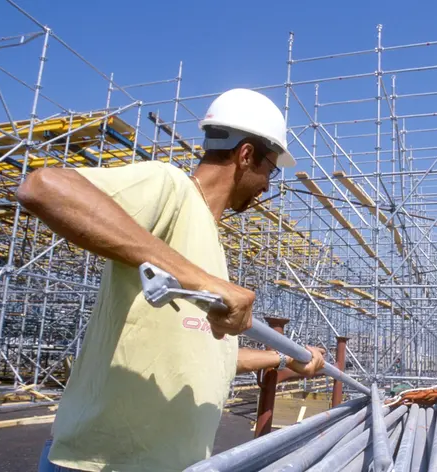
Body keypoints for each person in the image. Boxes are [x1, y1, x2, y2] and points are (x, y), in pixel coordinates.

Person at [18, 88, 327, 472]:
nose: (268, 185)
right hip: (101, 463)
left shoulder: (208, 239)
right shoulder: (171, 187)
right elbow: (43, 188)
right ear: (246, 155)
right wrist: (203, 282)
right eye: (270, 169)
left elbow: (203, 356)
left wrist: (287, 358)